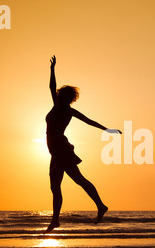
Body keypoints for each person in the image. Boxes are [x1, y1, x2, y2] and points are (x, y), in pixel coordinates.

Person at [44, 55, 121, 234]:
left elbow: (89, 121)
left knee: (76, 181)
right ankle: (57, 220)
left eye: (66, 96)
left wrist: (108, 130)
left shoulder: (65, 109)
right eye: (62, 95)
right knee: (56, 187)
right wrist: (52, 68)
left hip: (61, 151)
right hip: (56, 151)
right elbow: (51, 87)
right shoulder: (58, 106)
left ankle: (99, 206)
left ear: (68, 98)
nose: (61, 96)